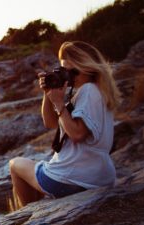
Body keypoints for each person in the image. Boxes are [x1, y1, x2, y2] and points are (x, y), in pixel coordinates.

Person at [9, 41, 120, 210]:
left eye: (73, 71)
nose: (70, 77)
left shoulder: (88, 90)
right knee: (36, 169)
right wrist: (49, 93)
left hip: (71, 178)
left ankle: (29, 214)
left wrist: (60, 105)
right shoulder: (99, 91)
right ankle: (36, 211)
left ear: (88, 67)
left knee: (15, 164)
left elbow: (77, 134)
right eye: (65, 71)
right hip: (97, 175)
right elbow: (51, 122)